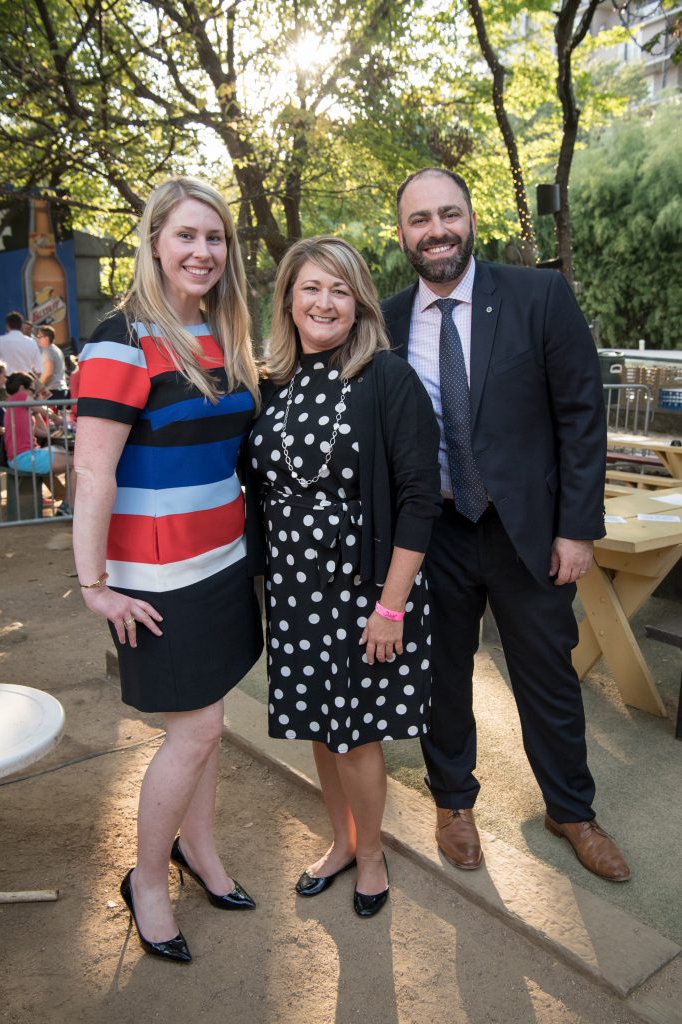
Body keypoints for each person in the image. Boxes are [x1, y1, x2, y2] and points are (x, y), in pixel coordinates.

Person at [381, 168, 630, 883]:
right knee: (441, 679)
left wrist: (576, 529)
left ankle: (570, 811)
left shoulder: (537, 296)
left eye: (448, 214)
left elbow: (581, 417)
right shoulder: (386, 319)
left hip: (528, 532)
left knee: (547, 677)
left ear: (470, 219)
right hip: (434, 534)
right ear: (401, 233)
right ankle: (453, 803)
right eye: (419, 219)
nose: (435, 230)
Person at [73, 177, 264, 963]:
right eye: (186, 236)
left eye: (214, 238)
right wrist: (93, 584)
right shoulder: (121, 339)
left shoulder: (224, 336)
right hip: (155, 580)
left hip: (222, 565)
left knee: (208, 726)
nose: (202, 251)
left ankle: (200, 851)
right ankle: (147, 879)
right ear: (154, 241)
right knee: (200, 729)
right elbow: (92, 474)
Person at [248, 236, 441, 917]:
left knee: (354, 734)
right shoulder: (270, 380)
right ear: (289, 300)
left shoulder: (386, 378)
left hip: (364, 591)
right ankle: (339, 841)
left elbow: (419, 497)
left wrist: (391, 607)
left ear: (357, 300)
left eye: (339, 288)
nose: (324, 302)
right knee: (316, 728)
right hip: (294, 591)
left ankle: (371, 855)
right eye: (310, 288)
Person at [3, 371, 75, 514]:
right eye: (32, 390)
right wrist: (56, 418)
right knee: (74, 462)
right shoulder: (21, 396)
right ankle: (67, 506)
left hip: (23, 455)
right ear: (23, 388)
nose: (33, 393)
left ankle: (67, 501)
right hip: (24, 457)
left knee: (68, 457)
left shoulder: (15, 403)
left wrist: (52, 434)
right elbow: (44, 409)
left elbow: (37, 431)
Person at [37, 325, 68, 400]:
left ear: (46, 338)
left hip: (53, 391)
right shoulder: (56, 349)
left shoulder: (48, 351)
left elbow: (48, 373)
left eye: (39, 337)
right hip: (59, 389)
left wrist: (37, 389)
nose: (38, 339)